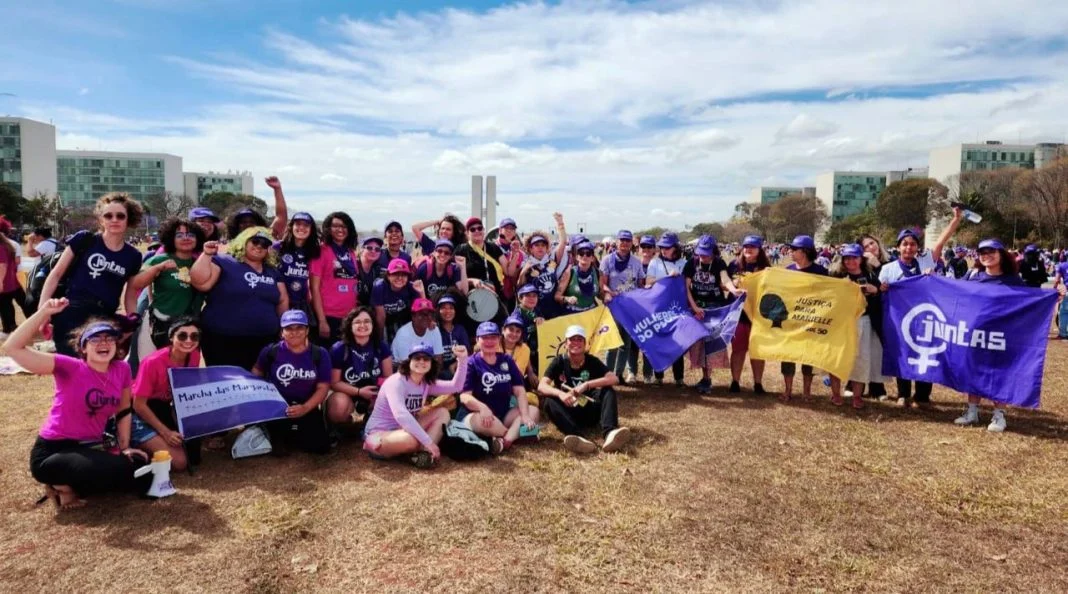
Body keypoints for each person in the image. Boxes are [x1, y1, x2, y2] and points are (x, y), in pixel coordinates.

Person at [6, 298, 150, 509]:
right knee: (113, 470)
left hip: (90, 446)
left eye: (109, 338)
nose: (104, 343)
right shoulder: (70, 367)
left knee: (136, 468)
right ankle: (61, 485)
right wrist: (44, 312)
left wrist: (125, 447)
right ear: (83, 347)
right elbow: (12, 347)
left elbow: (124, 410)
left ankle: (77, 481)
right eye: (95, 339)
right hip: (52, 452)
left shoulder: (121, 369)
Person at [37, 192, 144, 357]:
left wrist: (131, 320)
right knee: (70, 368)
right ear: (101, 220)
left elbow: (130, 292)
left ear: (128, 219)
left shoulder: (134, 256)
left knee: (98, 369)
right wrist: (42, 313)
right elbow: (56, 274)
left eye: (120, 216)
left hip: (104, 317)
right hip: (72, 312)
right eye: (108, 215)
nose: (114, 219)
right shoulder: (85, 240)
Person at [950, 238, 1026, 432]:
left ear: (1002, 255)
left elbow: (1030, 302)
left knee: (1000, 373)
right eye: (983, 253)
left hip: (1002, 336)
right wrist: (930, 277)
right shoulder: (974, 277)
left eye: (992, 252)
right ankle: (972, 411)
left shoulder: (1013, 281)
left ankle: (999, 414)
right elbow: (954, 295)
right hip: (976, 334)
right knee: (974, 370)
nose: (987, 256)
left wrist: (1056, 294)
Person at [879, 219, 955, 408]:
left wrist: (956, 219)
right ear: (898, 247)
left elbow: (941, 242)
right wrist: (883, 288)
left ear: (918, 247)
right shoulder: (888, 269)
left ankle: (922, 395)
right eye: (904, 244)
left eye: (912, 244)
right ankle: (903, 393)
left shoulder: (926, 262)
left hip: (924, 319)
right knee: (902, 353)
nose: (908, 248)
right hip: (899, 321)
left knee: (925, 354)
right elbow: (880, 292)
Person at [190, 227, 289, 370]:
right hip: (222, 340)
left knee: (256, 385)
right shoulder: (224, 261)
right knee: (224, 384)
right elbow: (200, 283)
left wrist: (283, 326)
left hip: (263, 341)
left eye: (265, 244)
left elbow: (282, 299)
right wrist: (206, 255)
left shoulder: (272, 271)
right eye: (255, 241)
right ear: (243, 242)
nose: (259, 246)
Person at [362, 342, 470, 468]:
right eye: (417, 358)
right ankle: (419, 448)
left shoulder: (425, 383)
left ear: (431, 363)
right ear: (409, 361)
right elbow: (401, 415)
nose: (421, 361)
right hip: (380, 434)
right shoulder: (396, 382)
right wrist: (428, 441)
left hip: (403, 430)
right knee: (410, 440)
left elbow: (456, 386)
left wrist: (462, 359)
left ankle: (423, 454)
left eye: (426, 359)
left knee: (443, 413)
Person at [538, 325, 631, 454]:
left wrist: (586, 385)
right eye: (572, 339)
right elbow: (541, 386)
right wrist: (561, 394)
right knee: (548, 402)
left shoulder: (592, 361)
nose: (576, 343)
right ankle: (578, 438)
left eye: (579, 340)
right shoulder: (559, 361)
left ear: (585, 344)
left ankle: (610, 434)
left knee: (608, 391)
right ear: (566, 344)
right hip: (569, 411)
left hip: (590, 409)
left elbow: (614, 378)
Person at [252, 310, 332, 454]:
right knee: (278, 450)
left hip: (307, 405)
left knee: (320, 447)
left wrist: (305, 408)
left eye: (299, 328)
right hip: (279, 408)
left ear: (307, 330)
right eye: (289, 328)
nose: (294, 332)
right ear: (282, 332)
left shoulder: (320, 354)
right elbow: (257, 371)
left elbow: (323, 387)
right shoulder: (271, 351)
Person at [129, 317, 202, 471]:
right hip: (138, 407)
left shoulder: (194, 355)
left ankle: (152, 440)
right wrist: (166, 432)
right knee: (180, 462)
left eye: (194, 336)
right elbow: (138, 404)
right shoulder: (152, 362)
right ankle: (132, 440)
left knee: (194, 457)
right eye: (182, 336)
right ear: (171, 338)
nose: (189, 341)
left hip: (162, 404)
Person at [457, 322, 539, 454]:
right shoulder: (471, 362)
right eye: (485, 338)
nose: (490, 341)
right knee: (482, 421)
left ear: (499, 339)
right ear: (478, 340)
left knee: (533, 411)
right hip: (477, 415)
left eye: (493, 337)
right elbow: (464, 396)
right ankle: (516, 434)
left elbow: (519, 390)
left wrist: (525, 416)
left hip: (503, 414)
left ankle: (505, 440)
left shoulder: (506, 359)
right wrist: (482, 408)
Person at [130, 217, 205, 349]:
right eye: (179, 235)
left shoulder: (199, 264)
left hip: (188, 329)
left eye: (190, 235)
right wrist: (158, 268)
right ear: (171, 238)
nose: (186, 238)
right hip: (161, 324)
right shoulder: (158, 260)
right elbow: (136, 283)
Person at [828, 244, 884, 409]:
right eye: (847, 258)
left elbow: (881, 295)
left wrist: (875, 290)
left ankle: (857, 396)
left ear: (861, 259)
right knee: (836, 357)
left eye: (854, 257)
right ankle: (836, 394)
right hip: (841, 322)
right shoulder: (836, 276)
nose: (850, 261)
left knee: (861, 357)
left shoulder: (870, 276)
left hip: (863, 321)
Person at [326, 307, 393, 426]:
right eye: (357, 322)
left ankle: (368, 423)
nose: (363, 325)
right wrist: (358, 392)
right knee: (339, 407)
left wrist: (378, 397)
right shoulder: (339, 349)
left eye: (367, 321)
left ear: (373, 325)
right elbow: (334, 383)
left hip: (374, 392)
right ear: (350, 326)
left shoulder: (381, 346)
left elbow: (389, 378)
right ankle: (348, 428)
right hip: (348, 392)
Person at [780, 235, 828, 402]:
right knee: (788, 357)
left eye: (794, 249)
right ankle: (788, 391)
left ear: (806, 251)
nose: (790, 252)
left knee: (808, 357)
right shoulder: (788, 271)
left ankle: (806, 392)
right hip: (791, 322)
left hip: (811, 321)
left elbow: (827, 296)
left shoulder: (821, 272)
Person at [684, 235, 732, 394]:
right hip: (697, 309)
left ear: (713, 251)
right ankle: (704, 378)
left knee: (710, 345)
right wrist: (694, 307)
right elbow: (686, 288)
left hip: (715, 309)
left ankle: (707, 379)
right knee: (697, 345)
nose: (702, 256)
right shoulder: (691, 263)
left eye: (706, 253)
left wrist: (733, 290)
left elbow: (725, 279)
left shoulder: (719, 263)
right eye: (700, 252)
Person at [601, 230, 645, 383]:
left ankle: (618, 374)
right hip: (614, 306)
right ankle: (607, 374)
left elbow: (640, 284)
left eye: (627, 240)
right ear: (617, 241)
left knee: (625, 343)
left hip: (629, 307)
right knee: (612, 342)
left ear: (631, 243)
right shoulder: (607, 260)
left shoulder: (636, 262)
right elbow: (603, 284)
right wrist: (608, 292)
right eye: (622, 240)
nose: (624, 243)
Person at [726, 235, 768, 394]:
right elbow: (723, 285)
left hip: (758, 315)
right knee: (738, 350)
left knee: (757, 350)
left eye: (753, 246)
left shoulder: (766, 269)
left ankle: (758, 384)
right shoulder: (734, 265)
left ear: (759, 249)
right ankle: (735, 382)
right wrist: (732, 286)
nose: (748, 249)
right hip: (738, 314)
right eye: (746, 246)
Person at [644, 232, 687, 387]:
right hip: (658, 308)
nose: (664, 250)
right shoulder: (654, 263)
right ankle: (658, 376)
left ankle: (679, 378)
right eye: (661, 247)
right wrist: (667, 277)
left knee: (678, 343)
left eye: (667, 247)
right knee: (658, 342)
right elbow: (649, 281)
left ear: (675, 247)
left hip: (677, 308)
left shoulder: (684, 263)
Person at [310, 212, 359, 343]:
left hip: (349, 316)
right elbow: (314, 288)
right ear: (328, 228)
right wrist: (321, 320)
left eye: (344, 226)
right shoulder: (321, 251)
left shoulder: (351, 253)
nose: (340, 229)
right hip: (329, 316)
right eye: (336, 226)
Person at [273, 212, 321, 336]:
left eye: (306, 225)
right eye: (298, 224)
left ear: (311, 229)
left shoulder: (313, 252)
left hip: (300, 305)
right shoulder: (278, 247)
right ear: (291, 227)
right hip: (278, 303)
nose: (301, 228)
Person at [517, 215, 568, 320]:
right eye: (537, 245)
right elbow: (520, 286)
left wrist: (560, 223)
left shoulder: (552, 261)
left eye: (543, 245)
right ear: (530, 249)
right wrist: (524, 271)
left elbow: (562, 243)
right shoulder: (527, 264)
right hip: (535, 310)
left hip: (554, 307)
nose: (540, 247)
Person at [372, 259, 425, 342]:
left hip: (403, 319)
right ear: (388, 276)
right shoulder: (379, 287)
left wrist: (421, 292)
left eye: (404, 275)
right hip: (386, 320)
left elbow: (422, 310)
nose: (400, 278)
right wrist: (380, 341)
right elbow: (381, 317)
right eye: (395, 274)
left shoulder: (411, 287)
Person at [222, 175, 288, 240]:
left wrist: (277, 189)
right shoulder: (229, 244)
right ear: (237, 226)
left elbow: (281, 217)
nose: (248, 224)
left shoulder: (266, 238)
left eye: (252, 222)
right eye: (243, 222)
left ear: (258, 225)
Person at [456, 216, 509, 295]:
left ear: (483, 230)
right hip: (471, 297)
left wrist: (515, 253)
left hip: (494, 297)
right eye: (472, 229)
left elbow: (508, 271)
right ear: (467, 233)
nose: (477, 231)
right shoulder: (461, 250)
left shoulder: (494, 247)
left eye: (479, 228)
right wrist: (472, 281)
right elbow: (454, 278)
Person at [391, 298, 444, 363]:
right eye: (421, 314)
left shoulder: (434, 329)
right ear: (413, 316)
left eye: (429, 314)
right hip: (401, 368)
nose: (426, 317)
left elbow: (439, 360)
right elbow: (407, 365)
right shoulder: (403, 334)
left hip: (426, 366)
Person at [414, 238, 467, 303]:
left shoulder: (453, 269)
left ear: (451, 256)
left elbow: (464, 292)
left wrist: (463, 267)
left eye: (447, 253)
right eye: (439, 251)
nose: (442, 254)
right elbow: (417, 295)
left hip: (446, 307)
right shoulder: (424, 269)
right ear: (434, 252)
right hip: (428, 305)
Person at [556, 240, 601, 313]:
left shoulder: (597, 273)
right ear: (577, 257)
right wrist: (567, 299)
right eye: (581, 253)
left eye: (588, 254)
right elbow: (557, 296)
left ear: (592, 258)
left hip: (591, 313)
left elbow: (600, 294)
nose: (584, 256)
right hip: (572, 314)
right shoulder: (569, 272)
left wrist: (607, 295)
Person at [437, 295, 470, 379]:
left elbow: (467, 352)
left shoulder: (460, 329)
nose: (448, 311)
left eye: (451, 308)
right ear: (438, 311)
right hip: (440, 371)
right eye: (443, 308)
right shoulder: (434, 330)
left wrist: (455, 364)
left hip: (458, 366)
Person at [502, 315, 539, 388]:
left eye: (518, 331)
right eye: (511, 329)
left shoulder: (524, 349)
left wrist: (530, 371)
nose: (514, 334)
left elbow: (516, 376)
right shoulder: (493, 344)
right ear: (503, 330)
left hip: (512, 387)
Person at [0, 216, 18, 338]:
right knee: (7, 306)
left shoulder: (1, 247)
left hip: (4, 282)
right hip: (9, 282)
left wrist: (0, 282)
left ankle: (8, 329)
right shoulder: (7, 245)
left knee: (4, 306)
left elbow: (2, 266)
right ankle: (11, 327)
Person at [356, 237, 385, 307]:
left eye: (377, 249)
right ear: (361, 250)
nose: (373, 251)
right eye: (369, 248)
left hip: (369, 312)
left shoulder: (378, 270)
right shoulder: (353, 266)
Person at [1054, 257, 1068, 339]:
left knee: (1064, 313)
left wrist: (1054, 290)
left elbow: (1056, 280)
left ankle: (1063, 334)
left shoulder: (1062, 265)